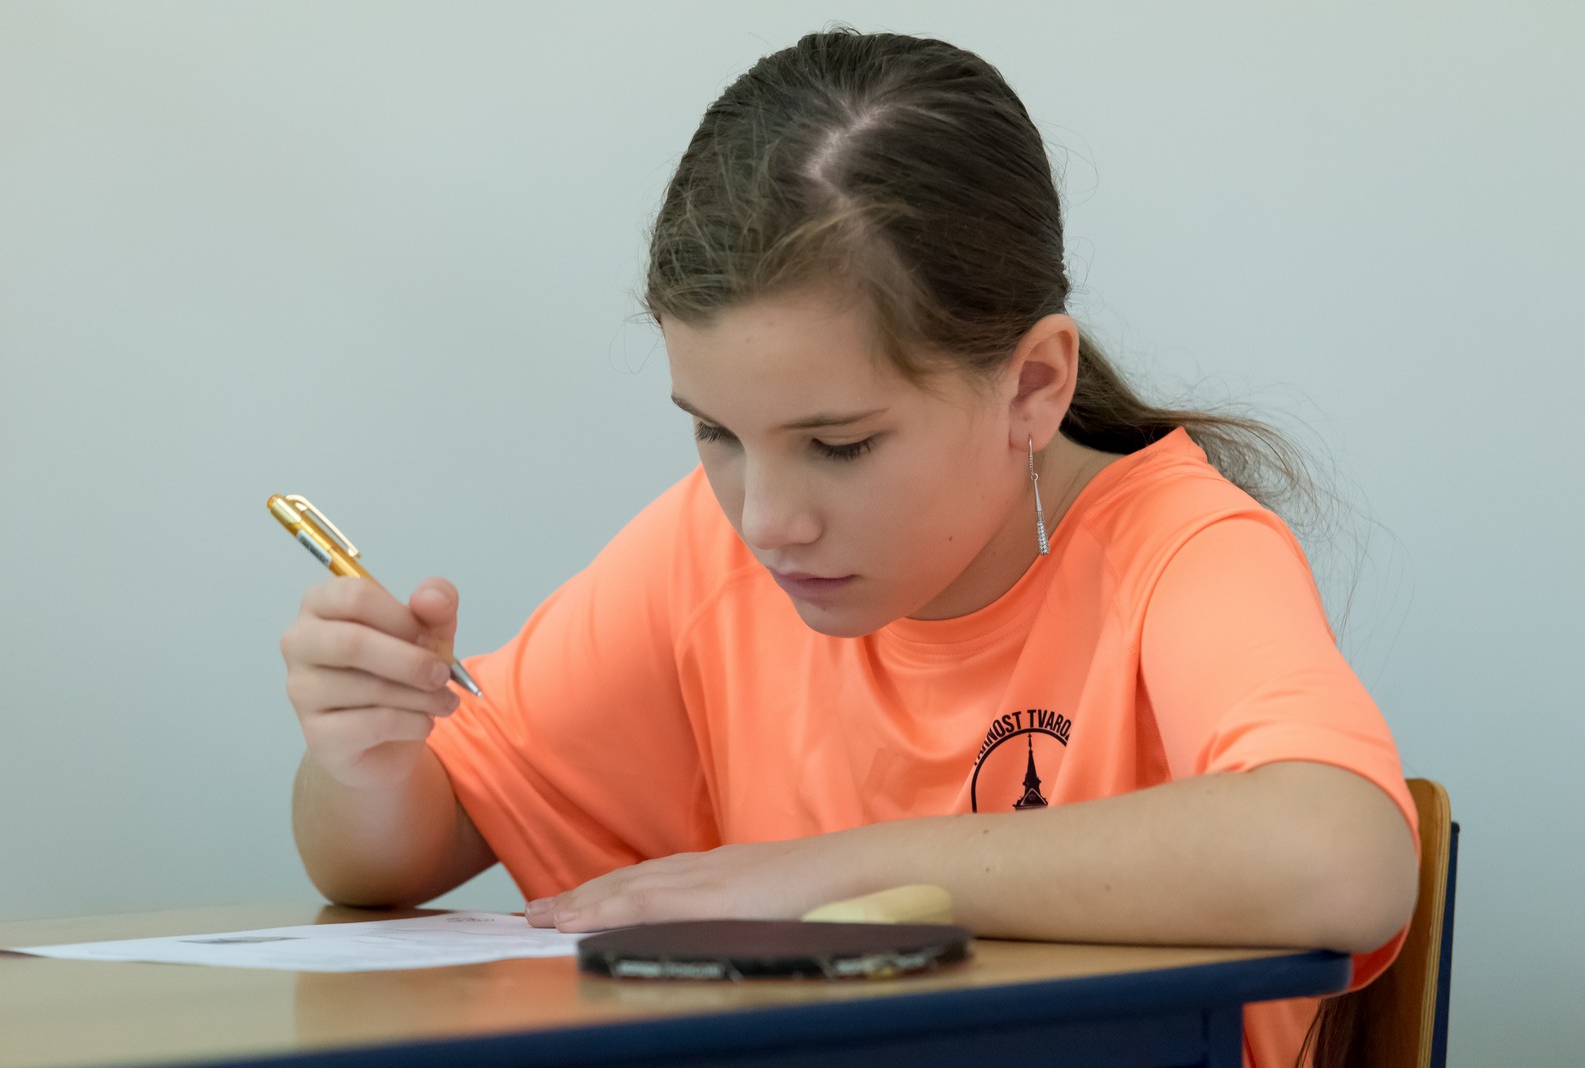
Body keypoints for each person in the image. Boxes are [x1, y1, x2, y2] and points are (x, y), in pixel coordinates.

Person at [278, 29, 1418, 1068]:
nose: (765, 519)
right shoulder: (708, 556)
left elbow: (1341, 856)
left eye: (840, 445)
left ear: (1033, 384)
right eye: (716, 434)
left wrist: (824, 874)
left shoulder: (1178, 548)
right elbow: (390, 858)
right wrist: (366, 760)